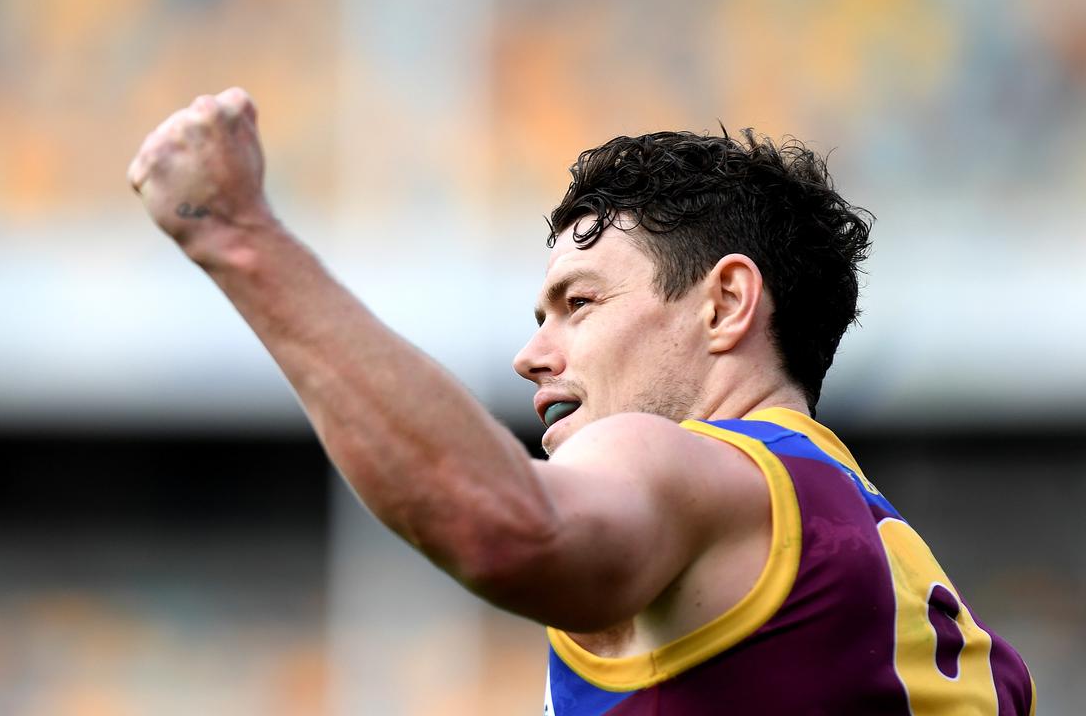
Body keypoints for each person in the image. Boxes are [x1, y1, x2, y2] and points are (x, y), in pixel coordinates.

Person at [128, 88, 1035, 715]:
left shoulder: (700, 472)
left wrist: (243, 242)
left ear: (725, 304)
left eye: (580, 303)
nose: (531, 356)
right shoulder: (900, 576)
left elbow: (505, 525)